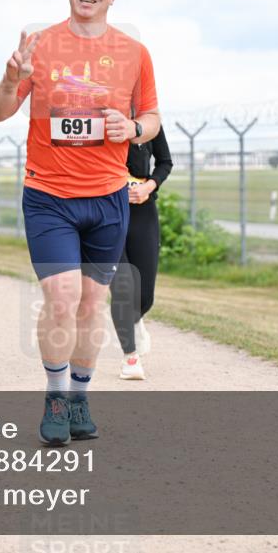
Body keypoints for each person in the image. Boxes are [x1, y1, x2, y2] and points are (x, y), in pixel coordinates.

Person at [0, 0, 162, 445]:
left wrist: (131, 126)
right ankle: (56, 396)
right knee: (61, 299)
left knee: (92, 303)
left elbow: (152, 118)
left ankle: (82, 397)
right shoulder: (39, 45)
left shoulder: (135, 52)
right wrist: (11, 78)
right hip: (49, 193)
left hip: (107, 196)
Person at [109, 126, 172, 380]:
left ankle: (135, 320)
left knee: (144, 294)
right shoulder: (102, 121)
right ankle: (130, 357)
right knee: (123, 285)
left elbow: (165, 161)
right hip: (108, 213)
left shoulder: (149, 122)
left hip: (143, 213)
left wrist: (149, 187)